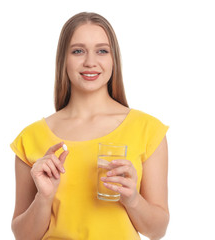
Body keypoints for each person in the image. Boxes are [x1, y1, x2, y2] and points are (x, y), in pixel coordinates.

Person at [10, 12, 169, 240]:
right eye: (78, 51)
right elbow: (23, 236)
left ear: (114, 59)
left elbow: (157, 230)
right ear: (63, 59)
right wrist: (43, 198)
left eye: (102, 50)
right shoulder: (30, 138)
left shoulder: (148, 130)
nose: (90, 62)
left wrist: (132, 198)